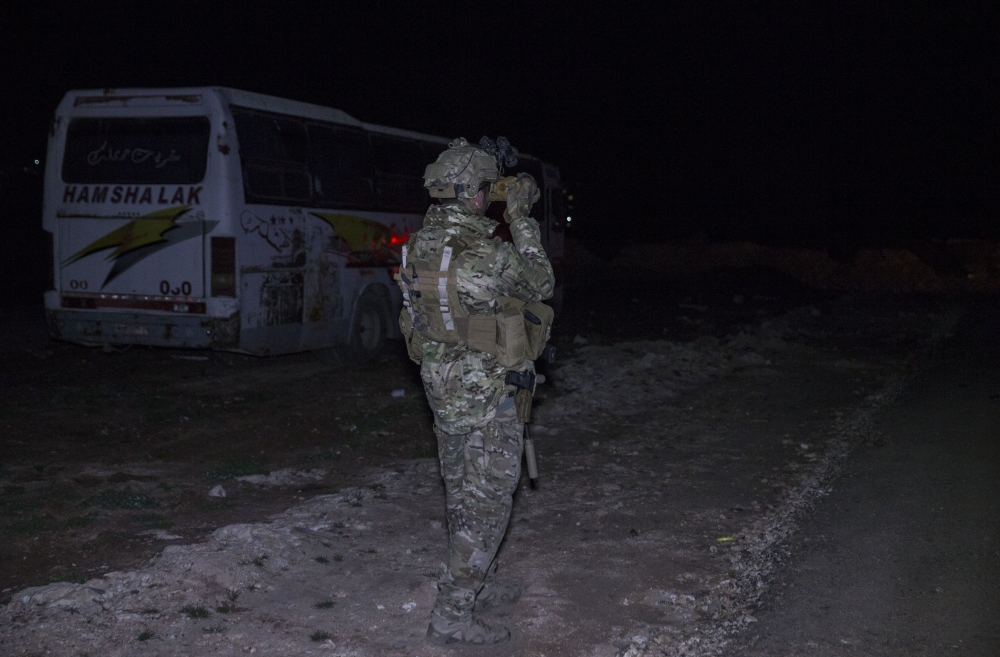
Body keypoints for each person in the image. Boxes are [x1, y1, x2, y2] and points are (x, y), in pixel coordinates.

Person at [396, 138, 554, 646]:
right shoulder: (488, 253)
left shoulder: (417, 244)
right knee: (487, 504)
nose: (489, 198)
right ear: (471, 194)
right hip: (487, 392)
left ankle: (471, 583)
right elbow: (541, 282)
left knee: (463, 493)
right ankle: (453, 614)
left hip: (442, 391)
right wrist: (522, 214)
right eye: (486, 190)